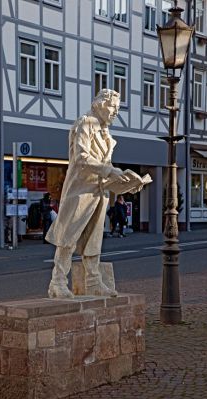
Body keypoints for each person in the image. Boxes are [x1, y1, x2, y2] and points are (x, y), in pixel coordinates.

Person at [46, 89, 130, 298]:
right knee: (68, 236)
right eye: (113, 107)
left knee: (94, 239)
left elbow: (105, 165)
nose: (115, 113)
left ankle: (93, 281)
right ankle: (57, 282)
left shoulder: (107, 135)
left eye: (118, 109)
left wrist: (123, 182)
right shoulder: (85, 123)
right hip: (80, 191)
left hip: (99, 193)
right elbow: (82, 157)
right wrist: (109, 170)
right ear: (100, 104)